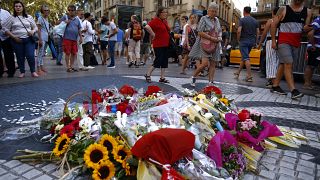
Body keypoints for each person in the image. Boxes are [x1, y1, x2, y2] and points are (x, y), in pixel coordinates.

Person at [271, 0, 312, 99]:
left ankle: (275, 85)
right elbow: (274, 24)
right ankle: (293, 90)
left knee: (283, 63)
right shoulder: (283, 9)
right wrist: (273, 41)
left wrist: (308, 29)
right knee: (289, 63)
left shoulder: (308, 12)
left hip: (296, 41)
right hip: (283, 41)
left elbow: (304, 28)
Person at [189, 2, 222, 87]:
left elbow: (219, 31)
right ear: (208, 11)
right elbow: (199, 32)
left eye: (215, 11)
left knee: (213, 64)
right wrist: (211, 38)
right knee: (204, 64)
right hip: (205, 44)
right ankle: (193, 77)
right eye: (212, 11)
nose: (214, 13)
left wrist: (219, 37)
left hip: (215, 44)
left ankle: (210, 82)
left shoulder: (217, 20)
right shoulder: (204, 18)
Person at [3, 0, 38, 78]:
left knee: (30, 55)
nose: (18, 8)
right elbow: (5, 29)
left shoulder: (29, 17)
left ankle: (33, 71)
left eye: (19, 6)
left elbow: (35, 27)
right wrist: (14, 37)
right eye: (16, 6)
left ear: (23, 7)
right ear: (14, 8)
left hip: (29, 39)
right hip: (17, 40)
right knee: (19, 56)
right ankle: (22, 71)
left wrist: (32, 31)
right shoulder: (11, 18)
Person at [144, 7, 170, 83]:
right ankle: (148, 74)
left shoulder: (165, 21)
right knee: (158, 60)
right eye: (164, 12)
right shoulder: (155, 20)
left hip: (166, 43)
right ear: (159, 13)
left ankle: (162, 77)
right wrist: (153, 33)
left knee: (164, 61)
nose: (165, 14)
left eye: (166, 12)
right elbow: (147, 26)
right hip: (158, 44)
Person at [234, 6, 259, 82]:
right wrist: (256, 41)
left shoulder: (242, 20)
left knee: (246, 58)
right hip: (251, 41)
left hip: (243, 41)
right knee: (244, 57)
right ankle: (238, 72)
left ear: (244, 11)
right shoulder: (255, 21)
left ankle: (249, 76)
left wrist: (238, 39)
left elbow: (239, 31)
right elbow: (258, 32)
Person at [258, 7, 280, 88]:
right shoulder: (281, 22)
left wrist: (260, 43)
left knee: (270, 61)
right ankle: (273, 81)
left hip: (271, 41)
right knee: (277, 62)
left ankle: (273, 82)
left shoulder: (271, 21)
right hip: (280, 41)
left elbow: (264, 33)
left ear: (273, 13)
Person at [60, 5, 83, 72]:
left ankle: (72, 66)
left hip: (74, 39)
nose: (70, 11)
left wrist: (81, 38)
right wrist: (64, 22)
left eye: (72, 10)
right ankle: (68, 67)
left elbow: (79, 29)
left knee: (74, 53)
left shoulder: (77, 19)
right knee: (67, 53)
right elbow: (57, 23)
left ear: (75, 11)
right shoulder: (65, 17)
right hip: (67, 38)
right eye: (69, 10)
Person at [303, 11, 320, 90]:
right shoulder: (318, 20)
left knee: (312, 65)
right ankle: (307, 84)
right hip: (315, 47)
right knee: (311, 66)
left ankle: (308, 83)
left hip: (315, 47)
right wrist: (313, 45)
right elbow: (310, 33)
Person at [0, 0, 15, 78]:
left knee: (8, 54)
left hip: (6, 36)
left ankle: (11, 71)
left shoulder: (5, 13)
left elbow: (12, 23)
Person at [37, 4, 51, 75]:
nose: (46, 11)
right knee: (40, 54)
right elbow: (38, 29)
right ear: (42, 11)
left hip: (45, 38)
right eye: (45, 10)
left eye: (48, 10)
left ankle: (42, 67)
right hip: (41, 38)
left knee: (42, 54)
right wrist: (39, 39)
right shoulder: (40, 18)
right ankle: (38, 69)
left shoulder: (46, 18)